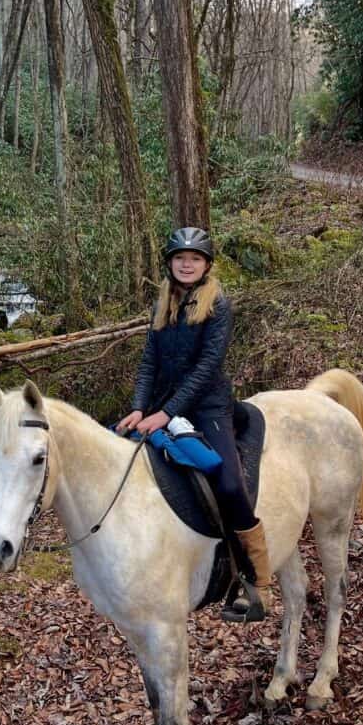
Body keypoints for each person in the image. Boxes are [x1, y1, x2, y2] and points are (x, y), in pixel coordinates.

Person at [116, 227, 272, 621]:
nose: (187, 264)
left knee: (230, 483)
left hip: (207, 407)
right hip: (160, 403)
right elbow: (149, 362)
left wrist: (166, 414)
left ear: (205, 265)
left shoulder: (217, 304)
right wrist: (139, 408)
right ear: (170, 264)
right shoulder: (163, 304)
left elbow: (206, 368)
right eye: (180, 258)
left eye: (195, 258)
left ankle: (256, 580)